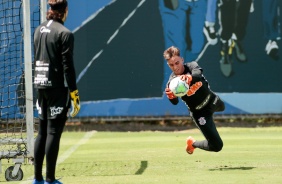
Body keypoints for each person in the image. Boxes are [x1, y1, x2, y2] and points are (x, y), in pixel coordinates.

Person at [32, 0, 80, 184]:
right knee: (53, 132)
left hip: (40, 86)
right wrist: (74, 93)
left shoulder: (39, 29)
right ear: (65, 11)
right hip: (56, 88)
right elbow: (68, 67)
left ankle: (37, 179)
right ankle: (50, 180)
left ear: (49, 10)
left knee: (42, 132)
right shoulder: (65, 33)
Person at [164, 46, 225, 154]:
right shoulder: (173, 83)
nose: (175, 67)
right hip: (200, 113)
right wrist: (172, 97)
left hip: (212, 100)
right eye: (171, 65)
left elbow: (197, 74)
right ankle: (192, 143)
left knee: (223, 107)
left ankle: (210, 122)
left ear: (182, 59)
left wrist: (189, 77)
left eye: (177, 63)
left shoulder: (191, 66)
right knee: (217, 146)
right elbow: (174, 102)